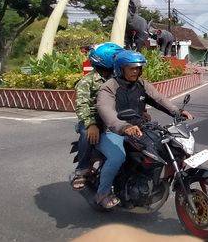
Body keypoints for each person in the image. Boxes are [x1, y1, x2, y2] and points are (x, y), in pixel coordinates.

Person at [95, 50, 194, 209]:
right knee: (117, 157)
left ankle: (150, 184)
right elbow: (106, 110)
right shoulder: (109, 87)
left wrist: (177, 112)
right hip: (114, 130)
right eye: (131, 68)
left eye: (138, 68)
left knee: (163, 147)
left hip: (139, 127)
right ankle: (103, 193)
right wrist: (123, 126)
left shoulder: (141, 84)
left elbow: (159, 99)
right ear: (121, 68)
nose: (136, 71)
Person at [72, 42, 124, 191]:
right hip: (95, 119)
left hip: (114, 118)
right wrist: (90, 124)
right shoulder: (86, 81)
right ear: (106, 60)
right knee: (85, 134)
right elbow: (82, 105)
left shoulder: (117, 77)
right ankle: (81, 170)